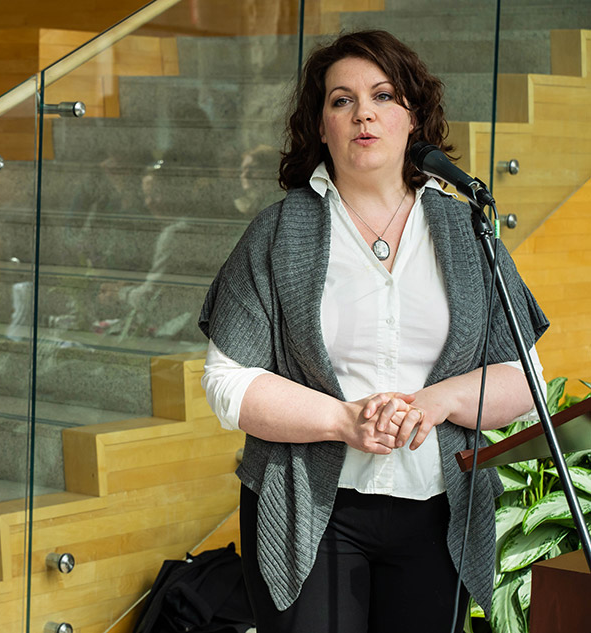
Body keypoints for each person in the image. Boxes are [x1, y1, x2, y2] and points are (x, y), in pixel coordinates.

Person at [198, 31, 548, 633]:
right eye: (342, 100)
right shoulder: (278, 235)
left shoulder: (468, 232)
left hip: (440, 511)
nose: (363, 112)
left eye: (383, 95)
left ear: (413, 117)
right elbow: (227, 382)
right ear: (321, 124)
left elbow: (525, 377)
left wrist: (434, 404)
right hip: (311, 509)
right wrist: (344, 422)